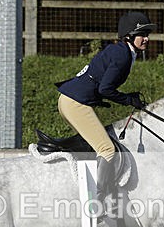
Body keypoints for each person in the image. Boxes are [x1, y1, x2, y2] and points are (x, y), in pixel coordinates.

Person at [56, 11, 155, 206]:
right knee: (107, 150)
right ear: (129, 36)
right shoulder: (123, 55)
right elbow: (105, 89)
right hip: (75, 103)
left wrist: (126, 97)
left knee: (96, 147)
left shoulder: (121, 51)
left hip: (69, 100)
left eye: (147, 35)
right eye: (142, 35)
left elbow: (102, 84)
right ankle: (96, 201)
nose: (147, 39)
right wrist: (128, 100)